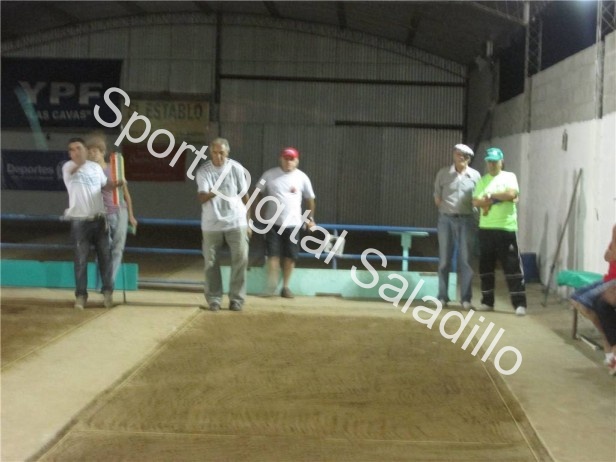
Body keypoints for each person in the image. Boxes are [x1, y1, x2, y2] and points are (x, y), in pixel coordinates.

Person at [62, 137, 122, 309]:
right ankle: (81, 296)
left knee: (105, 258)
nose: (75, 152)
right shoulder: (68, 167)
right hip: (80, 222)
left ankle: (108, 292)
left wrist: (116, 184)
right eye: (72, 149)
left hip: (99, 220)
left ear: (85, 150)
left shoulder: (95, 168)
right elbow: (74, 169)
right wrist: (81, 161)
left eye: (78, 148)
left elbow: (105, 185)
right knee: (80, 260)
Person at [195, 138, 251, 311]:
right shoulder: (204, 171)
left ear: (227, 153)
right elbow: (202, 197)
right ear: (210, 153)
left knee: (240, 259)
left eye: (222, 153)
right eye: (215, 153)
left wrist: (249, 222)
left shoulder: (236, 168)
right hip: (211, 224)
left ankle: (236, 299)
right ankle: (214, 298)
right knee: (211, 262)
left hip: (236, 221)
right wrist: (215, 192)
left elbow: (245, 196)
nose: (218, 156)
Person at [472, 147, 528, 316]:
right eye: (489, 161)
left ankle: (519, 304)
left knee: (512, 267)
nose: (491, 164)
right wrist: (499, 198)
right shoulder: (482, 180)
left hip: (506, 228)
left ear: (501, 162)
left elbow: (511, 194)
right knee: (486, 267)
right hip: (486, 228)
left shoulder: (509, 177)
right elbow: (477, 202)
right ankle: (487, 301)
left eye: (494, 162)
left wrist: (491, 197)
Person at [256, 147, 316, 298]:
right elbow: (257, 192)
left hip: (294, 224)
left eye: (292, 159)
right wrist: (258, 212)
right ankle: (271, 286)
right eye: (286, 158)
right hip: (272, 223)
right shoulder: (268, 174)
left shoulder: (303, 177)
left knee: (290, 256)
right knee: (273, 255)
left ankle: (285, 287)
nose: (288, 161)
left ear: (297, 161)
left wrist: (310, 219)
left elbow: (310, 199)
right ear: (280, 159)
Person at [433, 143, 481, 310]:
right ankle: (442, 297)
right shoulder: (443, 173)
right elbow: (437, 196)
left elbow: (478, 197)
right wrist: (447, 210)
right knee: (444, 259)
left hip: (467, 220)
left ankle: (466, 299)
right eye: (458, 154)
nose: (460, 157)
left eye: (464, 155)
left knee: (466, 260)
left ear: (469, 159)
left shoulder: (475, 176)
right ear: (453, 155)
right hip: (446, 220)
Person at [86, 133, 138, 284]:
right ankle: (102, 281)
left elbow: (126, 194)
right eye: (90, 152)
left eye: (95, 151)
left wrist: (131, 215)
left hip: (120, 211)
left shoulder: (115, 169)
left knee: (117, 249)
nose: (92, 154)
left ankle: (109, 283)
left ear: (102, 152)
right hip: (102, 215)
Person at [570, 224, 616, 375]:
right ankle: (607, 341)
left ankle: (610, 347)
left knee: (595, 303)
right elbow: (607, 256)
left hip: (613, 280)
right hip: (607, 279)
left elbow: (612, 255)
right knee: (576, 299)